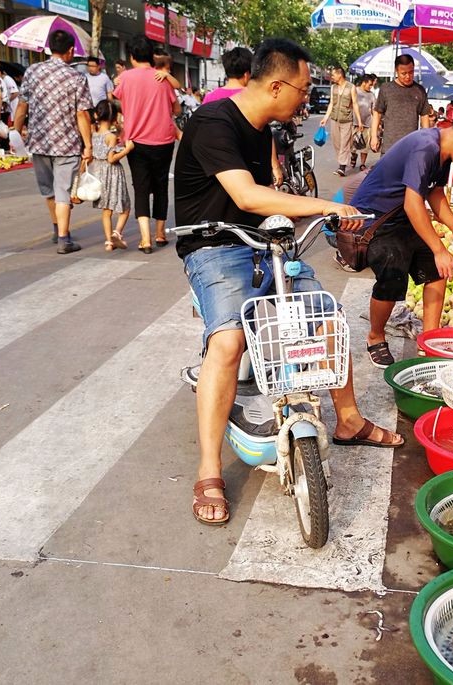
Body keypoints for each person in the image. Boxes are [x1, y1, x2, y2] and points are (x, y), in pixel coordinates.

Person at [173, 37, 403, 526]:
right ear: (276, 85)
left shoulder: (262, 129)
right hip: (213, 247)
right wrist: (324, 206)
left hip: (260, 244)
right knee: (230, 339)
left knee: (326, 318)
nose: (306, 98)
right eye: (302, 88)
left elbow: (269, 199)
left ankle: (348, 419)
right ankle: (209, 469)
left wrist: (308, 219)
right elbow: (247, 196)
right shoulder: (214, 123)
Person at [349, 108, 453, 368]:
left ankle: (428, 342)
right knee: (393, 267)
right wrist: (440, 248)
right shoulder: (425, 147)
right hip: (373, 220)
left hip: (400, 220)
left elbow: (434, 194)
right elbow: (412, 203)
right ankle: (375, 336)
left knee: (437, 272)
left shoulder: (444, 154)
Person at [13, 29, 93, 253]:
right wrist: (88, 145)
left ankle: (57, 227)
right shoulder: (76, 77)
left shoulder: (32, 72)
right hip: (67, 145)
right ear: (70, 51)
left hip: (39, 142)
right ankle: (64, 238)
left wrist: (15, 131)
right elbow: (82, 114)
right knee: (63, 191)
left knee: (49, 190)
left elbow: (22, 106)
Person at [112, 34, 180, 253]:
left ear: (132, 57)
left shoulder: (125, 78)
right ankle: (160, 234)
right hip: (164, 140)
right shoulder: (162, 78)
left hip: (136, 142)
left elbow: (117, 98)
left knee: (140, 188)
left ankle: (145, 239)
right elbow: (175, 108)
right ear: (151, 55)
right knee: (160, 186)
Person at [87, 99, 132, 251]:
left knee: (106, 211)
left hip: (99, 173)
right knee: (125, 207)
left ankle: (108, 242)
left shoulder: (93, 134)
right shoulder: (110, 137)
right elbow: (111, 158)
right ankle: (117, 233)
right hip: (113, 174)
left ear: (96, 115)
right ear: (114, 118)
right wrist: (126, 150)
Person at [369, 54, 432, 156]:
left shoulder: (419, 90)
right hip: (389, 148)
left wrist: (427, 139)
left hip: (411, 148)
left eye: (411, 72)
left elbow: (424, 115)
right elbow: (377, 113)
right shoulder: (386, 89)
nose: (408, 76)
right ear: (396, 71)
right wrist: (374, 136)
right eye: (404, 73)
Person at [321, 65, 363, 177]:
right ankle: (347, 158)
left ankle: (342, 167)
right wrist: (325, 118)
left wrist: (359, 121)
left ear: (340, 75)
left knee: (344, 143)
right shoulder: (333, 88)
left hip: (347, 120)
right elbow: (331, 103)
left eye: (333, 74)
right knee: (337, 143)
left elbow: (355, 104)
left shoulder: (351, 87)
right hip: (335, 119)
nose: (332, 77)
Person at [351, 74, 376, 171]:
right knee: (352, 144)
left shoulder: (371, 95)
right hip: (355, 122)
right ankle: (353, 156)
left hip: (367, 123)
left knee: (365, 145)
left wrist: (376, 124)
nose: (371, 87)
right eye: (369, 85)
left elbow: (374, 110)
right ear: (364, 83)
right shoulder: (355, 91)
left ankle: (362, 163)